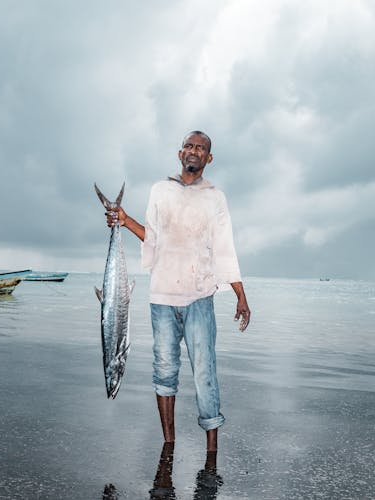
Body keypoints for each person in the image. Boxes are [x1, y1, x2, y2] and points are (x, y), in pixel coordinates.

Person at [104, 130, 251, 452]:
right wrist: (124, 221)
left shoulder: (216, 198)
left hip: (200, 297)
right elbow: (154, 240)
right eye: (189, 145)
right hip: (162, 298)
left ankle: (212, 449)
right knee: (164, 370)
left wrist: (240, 294)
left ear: (208, 158)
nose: (194, 151)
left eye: (201, 148)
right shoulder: (160, 190)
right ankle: (168, 444)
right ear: (180, 153)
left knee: (205, 372)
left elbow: (224, 250)